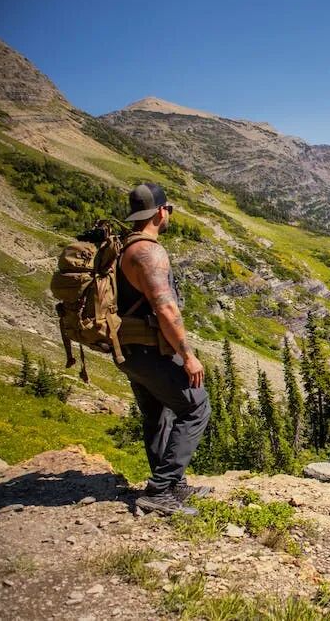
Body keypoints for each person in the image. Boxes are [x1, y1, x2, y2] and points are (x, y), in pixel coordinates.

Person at [117, 183, 212, 515]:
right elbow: (166, 309)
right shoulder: (149, 252)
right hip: (149, 349)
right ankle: (160, 490)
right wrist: (187, 355)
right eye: (168, 209)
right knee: (196, 407)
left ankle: (172, 485)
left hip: (129, 350)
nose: (169, 214)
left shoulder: (123, 248)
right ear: (160, 212)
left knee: (158, 415)